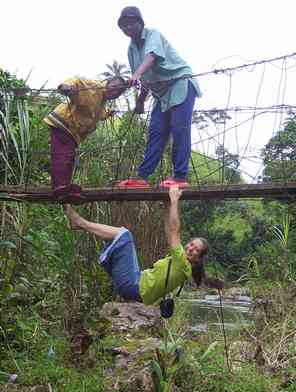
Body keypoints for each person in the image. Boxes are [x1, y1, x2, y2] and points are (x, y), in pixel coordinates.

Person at [64, 185, 223, 306]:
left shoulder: (183, 264)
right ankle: (78, 224)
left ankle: (79, 222)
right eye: (191, 244)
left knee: (124, 235)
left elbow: (175, 230)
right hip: (136, 284)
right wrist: (167, 206)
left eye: (196, 250)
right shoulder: (182, 264)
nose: (190, 248)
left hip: (134, 286)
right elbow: (169, 232)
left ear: (198, 258)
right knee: (116, 237)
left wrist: (174, 200)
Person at [116, 6, 202, 189]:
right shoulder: (131, 49)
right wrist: (140, 101)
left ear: (140, 23)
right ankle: (142, 178)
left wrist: (136, 74)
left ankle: (180, 178)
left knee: (179, 130)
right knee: (156, 132)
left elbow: (152, 57)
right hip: (161, 93)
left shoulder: (153, 34)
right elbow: (146, 79)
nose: (128, 27)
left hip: (180, 82)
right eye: (124, 25)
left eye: (132, 22)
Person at [44, 76, 127, 201]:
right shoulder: (94, 86)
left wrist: (109, 113)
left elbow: (96, 114)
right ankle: (59, 188)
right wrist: (66, 87)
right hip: (63, 123)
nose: (114, 92)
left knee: (69, 158)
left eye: (118, 92)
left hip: (73, 132)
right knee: (62, 156)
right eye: (114, 87)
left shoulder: (101, 101)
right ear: (108, 82)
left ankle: (64, 186)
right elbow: (77, 81)